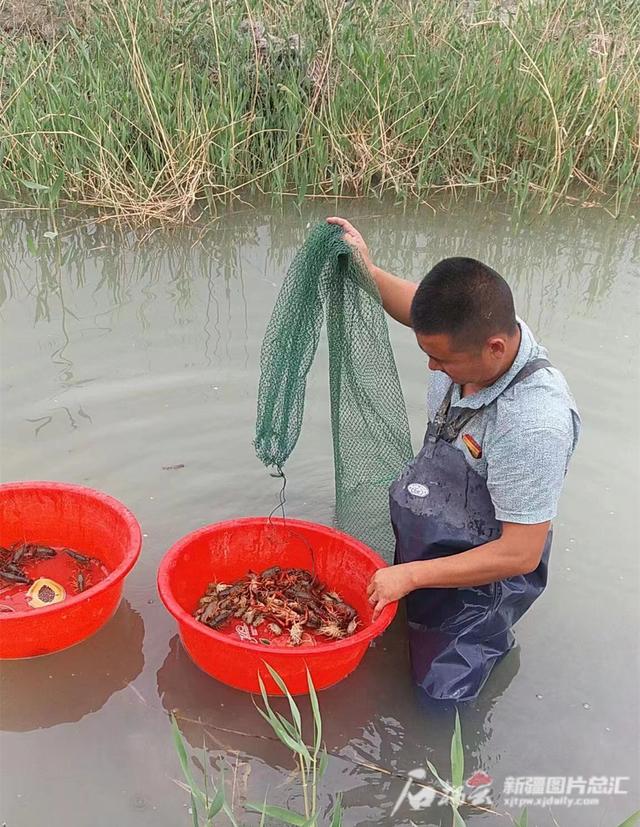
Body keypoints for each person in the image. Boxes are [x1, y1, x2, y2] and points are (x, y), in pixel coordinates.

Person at [327, 216, 581, 702]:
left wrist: (411, 575)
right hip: (437, 532)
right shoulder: (473, 330)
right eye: (427, 351)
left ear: (496, 348)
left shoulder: (532, 423)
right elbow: (419, 307)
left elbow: (520, 553)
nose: (431, 367)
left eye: (442, 360)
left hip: (486, 582)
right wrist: (369, 270)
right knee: (397, 630)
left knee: (439, 698)